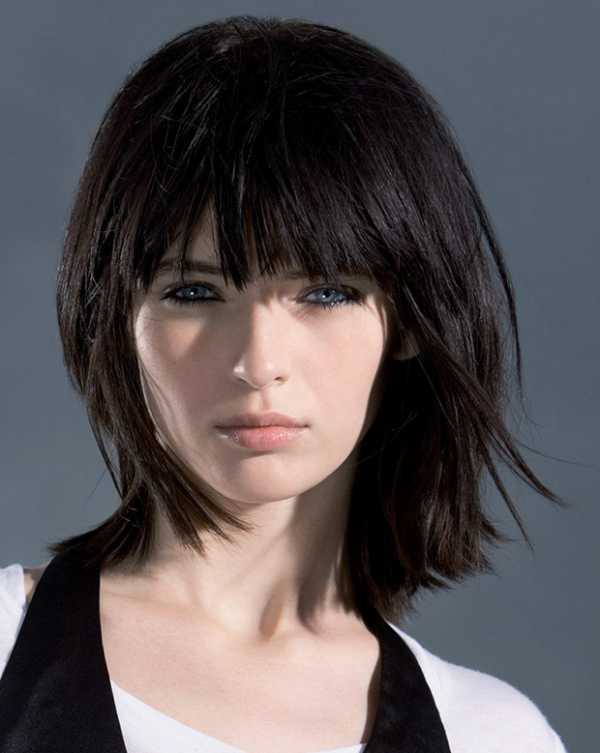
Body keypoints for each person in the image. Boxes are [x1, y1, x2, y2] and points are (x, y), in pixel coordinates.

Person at [0, 14, 569, 753]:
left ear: (409, 319)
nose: (258, 361)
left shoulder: (491, 735)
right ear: (114, 320)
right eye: (194, 293)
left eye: (327, 292)